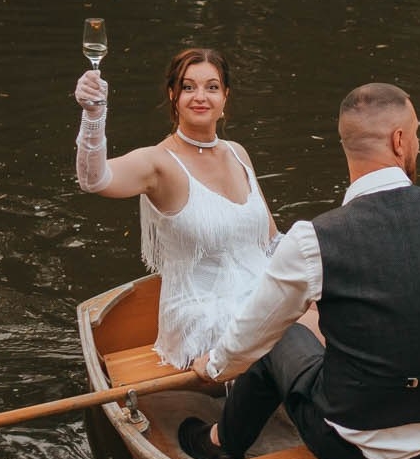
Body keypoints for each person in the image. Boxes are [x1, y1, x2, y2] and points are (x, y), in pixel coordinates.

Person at [175, 82, 420, 459]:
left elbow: (252, 334)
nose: (418, 143)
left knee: (284, 333)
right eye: (417, 133)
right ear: (399, 141)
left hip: (347, 444)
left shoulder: (313, 238)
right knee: (350, 335)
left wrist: (212, 366)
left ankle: (221, 442)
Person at [74, 47, 286, 371]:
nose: (200, 96)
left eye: (211, 87)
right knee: (283, 337)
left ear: (225, 97)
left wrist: (321, 267)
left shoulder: (238, 153)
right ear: (173, 95)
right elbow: (94, 179)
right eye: (188, 87)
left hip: (260, 300)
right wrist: (93, 115)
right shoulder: (158, 163)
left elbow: (271, 242)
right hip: (201, 316)